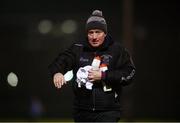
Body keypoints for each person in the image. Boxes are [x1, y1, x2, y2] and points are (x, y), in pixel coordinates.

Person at [48, 10, 136, 122]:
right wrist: (57, 72)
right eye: (91, 32)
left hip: (108, 111)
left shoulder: (117, 50)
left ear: (105, 33)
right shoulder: (77, 48)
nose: (94, 36)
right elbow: (59, 61)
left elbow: (129, 73)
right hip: (82, 111)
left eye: (98, 32)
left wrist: (104, 76)